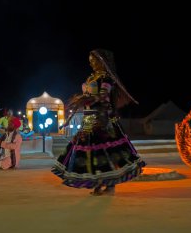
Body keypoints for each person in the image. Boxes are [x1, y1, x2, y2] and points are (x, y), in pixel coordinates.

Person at [51, 49, 146, 196]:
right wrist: (70, 116)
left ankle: (110, 186)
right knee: (92, 155)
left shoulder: (106, 79)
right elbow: (86, 98)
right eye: (90, 60)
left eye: (94, 60)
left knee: (106, 153)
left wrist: (86, 99)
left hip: (102, 120)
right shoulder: (91, 78)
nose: (91, 63)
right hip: (88, 120)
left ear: (102, 61)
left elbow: (103, 97)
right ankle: (97, 184)